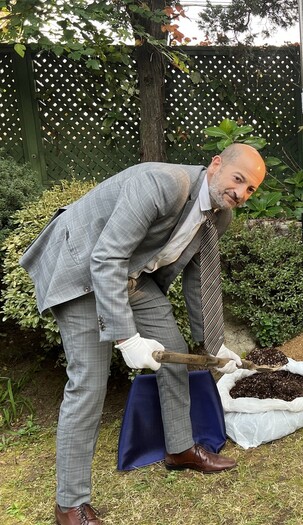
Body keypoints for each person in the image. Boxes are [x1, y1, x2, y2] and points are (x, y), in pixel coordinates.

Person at [20, 144, 266, 525]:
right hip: (82, 268)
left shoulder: (219, 216)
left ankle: (180, 448)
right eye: (238, 179)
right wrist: (126, 338)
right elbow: (106, 258)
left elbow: (201, 282)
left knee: (175, 351)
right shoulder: (163, 183)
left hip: (130, 275)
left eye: (250, 189)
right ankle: (69, 505)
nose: (241, 193)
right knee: (88, 381)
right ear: (216, 165)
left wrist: (215, 344)